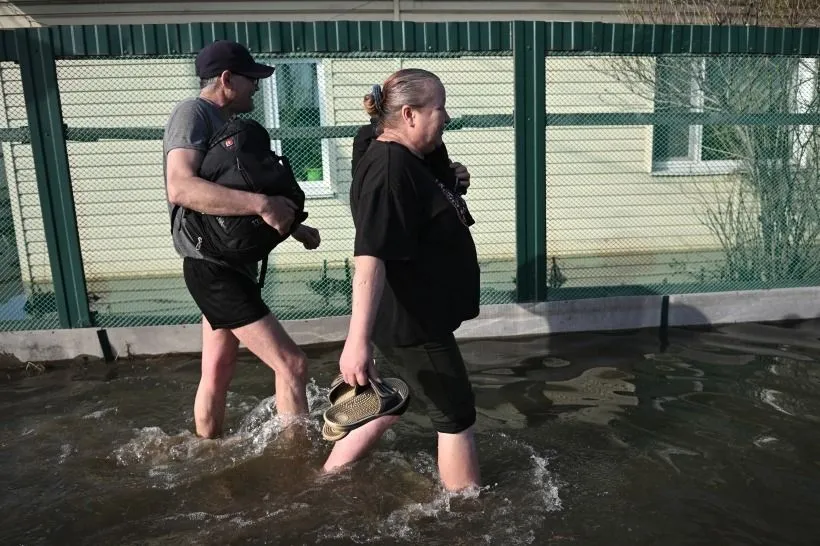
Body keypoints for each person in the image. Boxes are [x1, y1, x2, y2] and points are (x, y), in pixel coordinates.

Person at [323, 69, 481, 491]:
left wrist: (449, 179)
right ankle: (468, 518)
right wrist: (355, 344)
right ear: (409, 114)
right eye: (439, 108)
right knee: (456, 416)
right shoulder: (389, 168)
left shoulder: (398, 153)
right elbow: (370, 257)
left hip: (411, 312)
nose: (446, 116)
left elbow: (420, 193)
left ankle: (325, 480)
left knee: (394, 400)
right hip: (414, 320)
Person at [163, 40, 321, 438]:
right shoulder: (193, 113)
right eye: (251, 80)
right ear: (226, 79)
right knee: (293, 364)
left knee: (217, 370)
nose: (257, 87)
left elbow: (234, 199)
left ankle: (205, 450)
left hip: (227, 265)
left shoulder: (227, 125)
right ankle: (296, 460)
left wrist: (293, 227)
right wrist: (262, 203)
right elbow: (180, 188)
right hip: (212, 268)